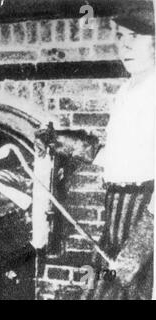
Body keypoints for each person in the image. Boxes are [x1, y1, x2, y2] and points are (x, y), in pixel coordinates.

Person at [88, 17, 155, 300]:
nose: (124, 44)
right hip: (116, 215)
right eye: (121, 35)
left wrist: (141, 242)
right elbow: (123, 159)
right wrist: (79, 149)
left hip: (145, 218)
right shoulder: (125, 91)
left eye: (135, 36)